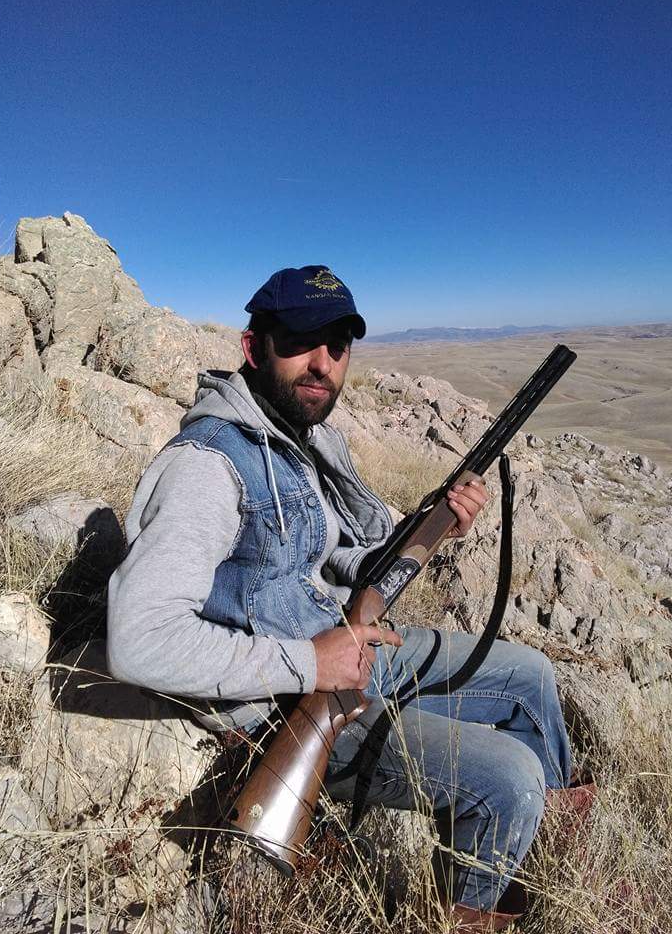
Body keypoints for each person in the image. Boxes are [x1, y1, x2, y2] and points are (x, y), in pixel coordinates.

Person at [107, 265, 577, 931]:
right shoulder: (208, 465)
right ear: (254, 347)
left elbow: (325, 560)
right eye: (300, 340)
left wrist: (428, 529)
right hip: (276, 701)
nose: (322, 363)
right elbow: (140, 639)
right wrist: (311, 663)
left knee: (530, 676)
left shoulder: (298, 442)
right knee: (510, 778)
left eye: (337, 345)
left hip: (341, 647)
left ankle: (536, 857)